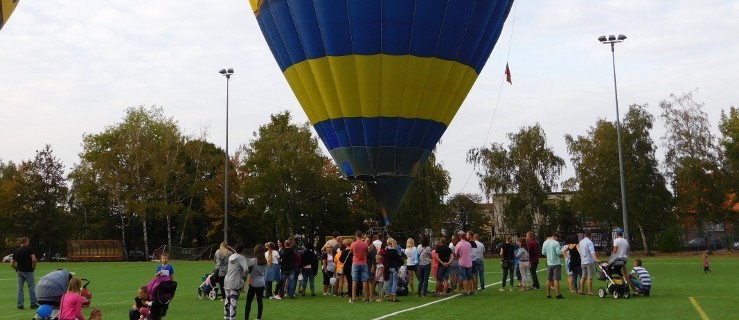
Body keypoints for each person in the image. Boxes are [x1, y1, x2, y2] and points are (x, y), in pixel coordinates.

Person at [11, 236, 38, 310]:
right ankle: (33, 304)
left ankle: (20, 304)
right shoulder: (29, 249)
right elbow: (34, 259)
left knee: (20, 288)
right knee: (31, 287)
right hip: (28, 270)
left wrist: (16, 268)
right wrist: (33, 267)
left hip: (20, 271)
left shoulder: (16, 251)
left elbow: (12, 264)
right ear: (26, 241)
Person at [224, 243, 249, 320]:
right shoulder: (242, 258)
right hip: (235, 281)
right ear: (243, 250)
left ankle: (226, 317)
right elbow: (246, 269)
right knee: (233, 301)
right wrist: (243, 276)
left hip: (227, 280)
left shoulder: (231, 256)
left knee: (227, 300)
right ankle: (232, 318)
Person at [244, 244, 267, 320]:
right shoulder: (264, 260)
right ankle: (259, 318)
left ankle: (246, 318)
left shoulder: (253, 260)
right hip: (261, 283)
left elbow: (248, 270)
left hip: (253, 284)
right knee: (259, 301)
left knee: (248, 302)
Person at [542, 232, 564, 299]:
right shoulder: (556, 243)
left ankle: (548, 294)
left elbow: (543, 252)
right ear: (556, 237)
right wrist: (562, 251)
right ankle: (557, 294)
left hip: (549, 263)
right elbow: (558, 253)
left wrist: (549, 255)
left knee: (549, 279)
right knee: (556, 279)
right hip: (556, 262)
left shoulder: (545, 242)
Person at [350, 231, 370, 303]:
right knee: (364, 281)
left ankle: (353, 298)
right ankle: (366, 298)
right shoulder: (365, 244)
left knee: (354, 281)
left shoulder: (353, 244)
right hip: (364, 263)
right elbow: (367, 252)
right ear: (361, 235)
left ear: (356, 236)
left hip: (355, 263)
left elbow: (351, 252)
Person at [578, 229, 598, 295]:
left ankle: (581, 290)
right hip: (589, 261)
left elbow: (580, 251)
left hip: (583, 261)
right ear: (590, 235)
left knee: (583, 276)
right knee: (590, 277)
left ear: (584, 234)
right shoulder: (589, 242)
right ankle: (590, 291)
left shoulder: (581, 242)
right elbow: (592, 251)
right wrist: (596, 259)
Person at [384, 238, 403, 302]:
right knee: (395, 282)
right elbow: (398, 258)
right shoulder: (394, 250)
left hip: (389, 267)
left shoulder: (387, 250)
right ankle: (394, 296)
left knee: (390, 282)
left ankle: (390, 296)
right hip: (394, 267)